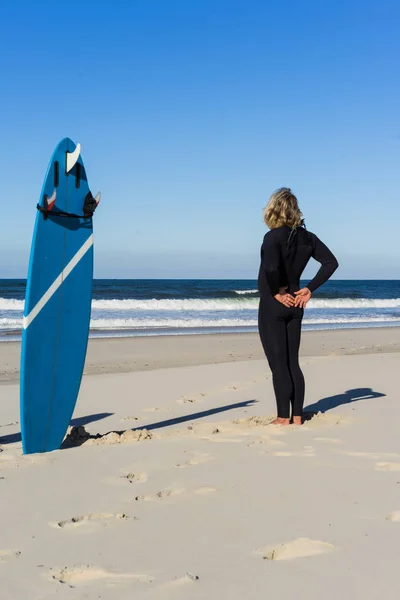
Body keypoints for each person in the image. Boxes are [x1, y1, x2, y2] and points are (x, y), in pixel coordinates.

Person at [257, 187, 338, 425]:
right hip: (297, 303)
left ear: (273, 209)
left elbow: (271, 269)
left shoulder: (272, 237)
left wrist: (277, 292)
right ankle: (298, 416)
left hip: (275, 304)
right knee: (292, 361)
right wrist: (310, 288)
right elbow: (330, 263)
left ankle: (283, 417)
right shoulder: (308, 237)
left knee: (278, 363)